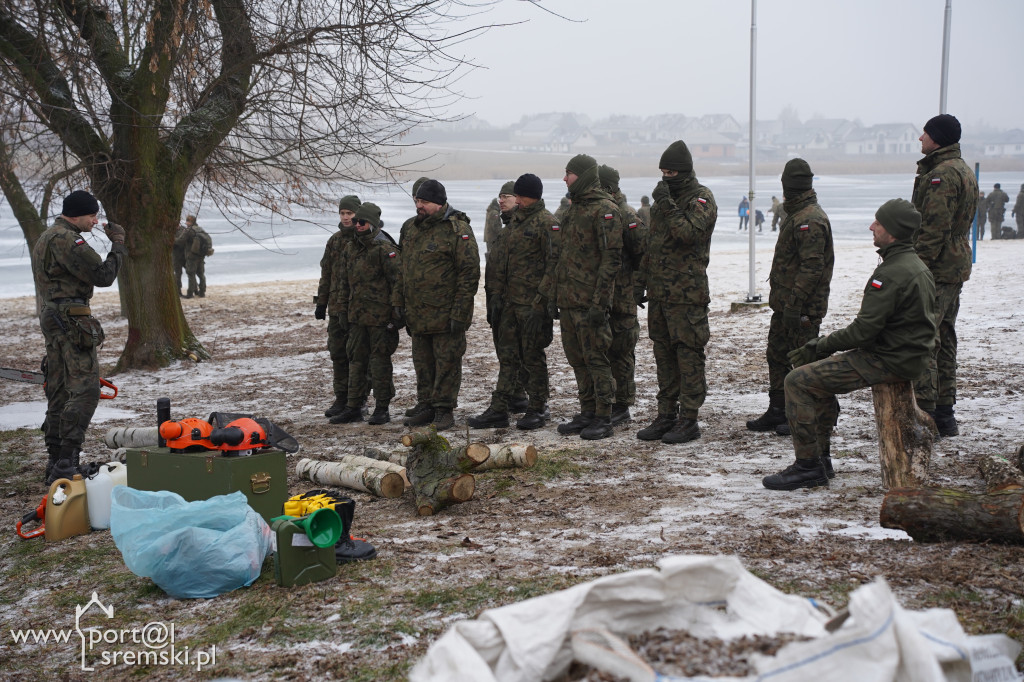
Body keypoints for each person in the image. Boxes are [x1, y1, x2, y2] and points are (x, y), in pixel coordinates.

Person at [763, 199, 935, 490]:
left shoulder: (892, 273)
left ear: (893, 232)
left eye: (878, 223)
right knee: (817, 378)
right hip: (904, 354)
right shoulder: (914, 266)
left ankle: (808, 466)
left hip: (889, 359)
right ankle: (822, 459)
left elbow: (863, 332)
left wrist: (821, 345)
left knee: (798, 381)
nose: (871, 227)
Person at [32, 190, 127, 483]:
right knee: (86, 390)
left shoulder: (45, 237)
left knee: (59, 390)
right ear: (77, 214)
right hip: (71, 321)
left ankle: (55, 462)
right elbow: (104, 275)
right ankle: (66, 462)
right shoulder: (68, 240)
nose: (95, 221)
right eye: (92, 215)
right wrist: (118, 244)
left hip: (52, 317)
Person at [636, 140, 717, 444]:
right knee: (664, 355)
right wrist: (639, 282)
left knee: (688, 355)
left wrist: (668, 205)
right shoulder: (662, 202)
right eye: (663, 172)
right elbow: (653, 245)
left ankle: (689, 418)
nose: (665, 177)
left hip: (687, 294)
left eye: (671, 173)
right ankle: (666, 414)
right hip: (660, 293)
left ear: (683, 171)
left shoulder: (701, 199)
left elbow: (688, 233)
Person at [746, 159, 834, 434]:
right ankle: (779, 409)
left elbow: (812, 268)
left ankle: (808, 415)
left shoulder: (809, 219)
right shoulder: (796, 214)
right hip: (785, 307)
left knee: (804, 361)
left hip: (802, 309)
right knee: (777, 355)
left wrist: (795, 305)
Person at [469, 173, 559, 431]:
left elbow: (554, 265)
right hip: (509, 304)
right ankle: (499, 408)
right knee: (508, 356)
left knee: (532, 357)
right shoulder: (515, 224)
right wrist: (496, 296)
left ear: (531, 196)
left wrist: (542, 301)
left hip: (532, 306)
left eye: (519, 196)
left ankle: (538, 407)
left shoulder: (548, 223)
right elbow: (502, 263)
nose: (516, 200)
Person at [911, 114, 978, 437]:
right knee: (945, 336)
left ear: (936, 138)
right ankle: (944, 412)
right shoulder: (962, 169)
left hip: (937, 268)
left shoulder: (942, 174)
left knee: (924, 336)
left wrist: (917, 268)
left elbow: (934, 228)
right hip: (954, 264)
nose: (920, 138)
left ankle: (926, 415)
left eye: (924, 133)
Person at [548, 154, 622, 440]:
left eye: (569, 173)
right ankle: (587, 410)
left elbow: (610, 261)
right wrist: (557, 295)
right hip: (569, 301)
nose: (564, 178)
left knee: (596, 359)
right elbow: (563, 257)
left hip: (590, 303)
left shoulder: (605, 210)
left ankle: (604, 415)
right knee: (577, 359)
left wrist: (600, 303)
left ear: (584, 175)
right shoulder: (572, 210)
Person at [397, 180, 480, 431]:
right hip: (418, 313)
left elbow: (469, 273)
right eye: (417, 201)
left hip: (446, 314)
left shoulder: (457, 229)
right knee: (422, 362)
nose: (419, 206)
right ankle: (427, 405)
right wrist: (399, 304)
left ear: (439, 203)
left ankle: (444, 409)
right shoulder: (410, 228)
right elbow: (402, 270)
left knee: (447, 363)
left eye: (424, 202)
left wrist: (460, 312)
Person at [331, 203, 403, 425]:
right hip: (356, 317)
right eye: (356, 221)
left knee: (379, 363)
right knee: (356, 362)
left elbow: (398, 283)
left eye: (362, 222)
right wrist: (342, 310)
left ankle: (382, 408)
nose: (357, 225)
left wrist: (396, 314)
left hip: (380, 319)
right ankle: (354, 406)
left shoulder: (385, 250)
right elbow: (343, 283)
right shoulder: (350, 249)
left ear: (372, 223)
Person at [599, 164, 646, 426]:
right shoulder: (602, 211)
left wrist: (635, 286)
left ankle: (622, 404)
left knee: (622, 351)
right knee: (605, 351)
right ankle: (607, 400)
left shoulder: (626, 215)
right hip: (604, 296)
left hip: (622, 298)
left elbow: (643, 254)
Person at [482, 182, 528, 414]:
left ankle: (511, 402)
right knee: (505, 351)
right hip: (499, 300)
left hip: (518, 302)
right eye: (499, 196)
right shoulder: (504, 228)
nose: (501, 200)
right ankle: (517, 396)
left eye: (506, 196)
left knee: (517, 354)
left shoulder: (525, 227)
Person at [315, 195, 361, 418]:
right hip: (336, 308)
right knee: (338, 354)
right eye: (342, 213)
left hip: (357, 310)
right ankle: (341, 397)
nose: (345, 217)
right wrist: (321, 303)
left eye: (349, 213)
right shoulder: (334, 241)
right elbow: (326, 275)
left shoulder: (364, 239)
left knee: (357, 356)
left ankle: (358, 400)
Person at [182, 215, 212, 298]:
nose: (186, 223)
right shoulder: (201, 229)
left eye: (187, 221)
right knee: (201, 274)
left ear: (190, 222)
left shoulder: (189, 230)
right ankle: (202, 292)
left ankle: (190, 293)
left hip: (191, 256)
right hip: (201, 256)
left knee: (191, 274)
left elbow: (180, 241)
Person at [172, 223, 187, 295]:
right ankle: (178, 291)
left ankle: (195, 289)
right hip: (176, 256)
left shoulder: (184, 229)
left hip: (184, 255)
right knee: (178, 273)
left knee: (190, 272)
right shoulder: (170, 230)